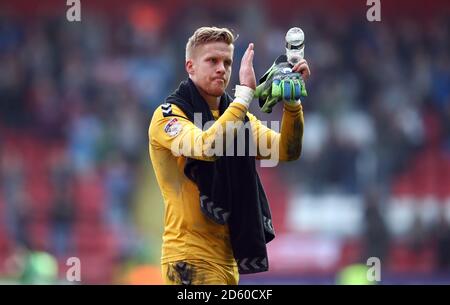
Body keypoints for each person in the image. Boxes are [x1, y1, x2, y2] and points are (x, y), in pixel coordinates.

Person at [148, 27, 310, 285]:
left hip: (227, 262)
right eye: (212, 61)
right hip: (188, 260)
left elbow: (286, 151)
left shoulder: (240, 119)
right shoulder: (168, 115)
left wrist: (292, 105)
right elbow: (205, 147)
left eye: (227, 62)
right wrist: (244, 94)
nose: (222, 68)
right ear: (190, 66)